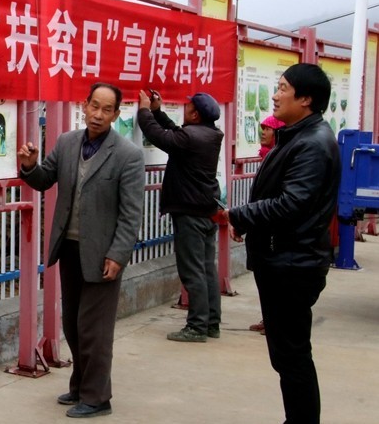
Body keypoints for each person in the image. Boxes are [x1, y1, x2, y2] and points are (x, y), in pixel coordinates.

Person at [221, 63, 339, 424]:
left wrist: (240, 215)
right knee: (288, 355)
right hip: (285, 257)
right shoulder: (298, 136)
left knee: (292, 355)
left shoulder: (312, 144)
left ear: (306, 99)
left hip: (293, 263)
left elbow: (292, 204)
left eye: (283, 88)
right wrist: (249, 223)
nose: (275, 95)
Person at [17, 83, 144, 419]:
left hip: (104, 255)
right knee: (72, 324)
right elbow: (45, 179)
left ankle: (98, 397)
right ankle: (81, 386)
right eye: (94, 106)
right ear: (85, 105)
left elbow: (131, 214)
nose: (98, 115)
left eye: (106, 110)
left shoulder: (128, 155)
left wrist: (118, 254)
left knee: (94, 330)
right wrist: (30, 166)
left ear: (116, 114)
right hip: (70, 249)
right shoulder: (67, 142)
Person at [136, 90, 224, 343]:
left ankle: (196, 326)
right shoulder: (209, 134)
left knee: (192, 271)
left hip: (190, 213)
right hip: (205, 211)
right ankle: (211, 323)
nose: (185, 109)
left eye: (188, 107)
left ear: (195, 115)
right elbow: (175, 132)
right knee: (207, 269)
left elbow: (158, 136)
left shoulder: (192, 137)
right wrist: (157, 112)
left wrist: (144, 110)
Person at [250, 113, 286, 335]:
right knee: (263, 275)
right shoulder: (266, 155)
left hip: (271, 226)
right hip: (260, 223)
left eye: (268, 129)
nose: (263, 133)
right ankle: (269, 319)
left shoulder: (279, 157)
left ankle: (275, 321)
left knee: (273, 278)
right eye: (262, 128)